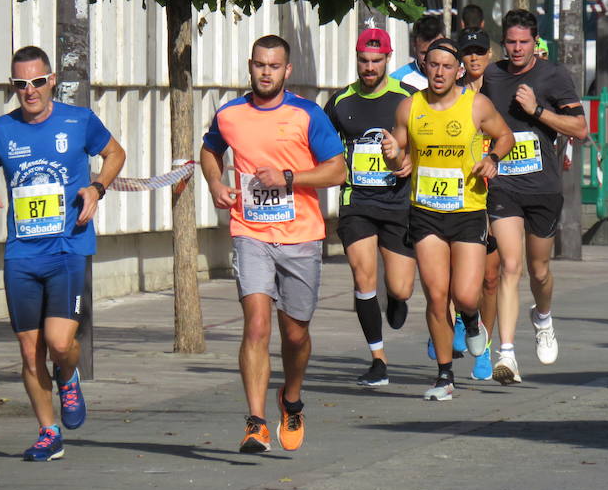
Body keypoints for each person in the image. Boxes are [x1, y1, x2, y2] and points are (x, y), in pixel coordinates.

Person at [0, 45, 126, 461]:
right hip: (22, 252)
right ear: (13, 86)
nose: (30, 91)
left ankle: (69, 377)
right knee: (27, 348)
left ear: (52, 80)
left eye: (37, 81)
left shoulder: (78, 121)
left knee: (59, 343)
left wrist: (97, 188)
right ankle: (47, 431)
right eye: (21, 84)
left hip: (68, 247)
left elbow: (115, 153)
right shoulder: (2, 130)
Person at [200, 34, 346, 453]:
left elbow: (336, 171)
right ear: (251, 65)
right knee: (258, 325)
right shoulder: (230, 114)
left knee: (296, 334)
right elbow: (210, 150)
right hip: (251, 232)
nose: (266, 72)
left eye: (274, 66)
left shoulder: (307, 115)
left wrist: (287, 177)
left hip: (301, 235)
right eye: (260, 65)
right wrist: (215, 183)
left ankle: (291, 398)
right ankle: (255, 422)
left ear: (287, 70)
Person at [381, 38, 514, 400]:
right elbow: (400, 161)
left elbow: (505, 136)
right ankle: (444, 376)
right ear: (424, 66)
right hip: (425, 212)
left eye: (446, 66)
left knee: (466, 295)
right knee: (437, 297)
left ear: (458, 71)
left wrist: (494, 161)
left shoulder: (477, 105)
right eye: (433, 64)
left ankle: (471, 320)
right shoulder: (409, 108)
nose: (438, 72)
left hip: (468, 211)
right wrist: (392, 154)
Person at [480, 10, 587, 385]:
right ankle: (506, 355)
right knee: (511, 266)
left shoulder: (553, 76)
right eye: (511, 42)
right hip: (504, 185)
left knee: (539, 270)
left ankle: (543, 318)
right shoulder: (492, 76)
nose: (517, 49)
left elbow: (580, 128)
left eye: (524, 42)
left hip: (543, 186)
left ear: (536, 43)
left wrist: (538, 111)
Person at [323, 28, 417, 387]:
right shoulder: (341, 102)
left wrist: (410, 161)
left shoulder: (407, 99)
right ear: (357, 59)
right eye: (364, 60)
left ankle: (397, 299)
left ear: (387, 60)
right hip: (357, 202)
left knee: (402, 288)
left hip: (397, 203)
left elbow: (427, 142)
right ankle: (378, 359)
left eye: (377, 61)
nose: (369, 67)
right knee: (363, 276)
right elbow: (323, 145)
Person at [458, 28, 501, 380]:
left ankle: (485, 348)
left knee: (490, 277)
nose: (473, 58)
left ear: (489, 54)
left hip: (496, 189)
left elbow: (509, 133)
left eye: (479, 51)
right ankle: (457, 320)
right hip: (456, 192)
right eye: (467, 52)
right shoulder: (448, 93)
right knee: (448, 273)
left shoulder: (499, 91)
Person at [390, 15, 444, 90]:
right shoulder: (397, 81)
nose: (429, 59)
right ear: (414, 45)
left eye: (435, 52)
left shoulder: (459, 75)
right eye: (424, 53)